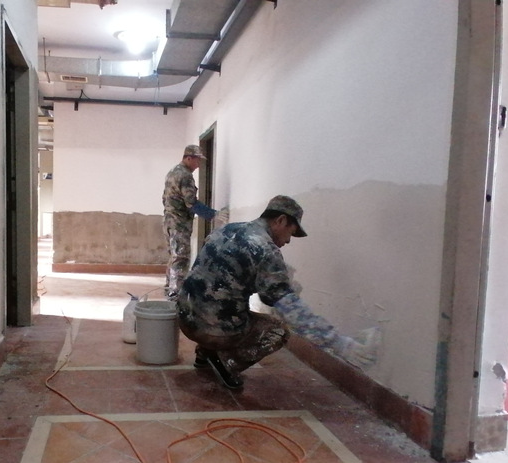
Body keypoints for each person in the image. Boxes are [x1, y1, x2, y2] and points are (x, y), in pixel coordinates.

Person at [177, 195, 381, 389]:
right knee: (277, 331)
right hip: (213, 330)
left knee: (221, 305)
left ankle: (205, 351)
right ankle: (224, 361)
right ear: (281, 220)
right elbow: (292, 312)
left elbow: (216, 276)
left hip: (185, 319)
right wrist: (341, 344)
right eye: (291, 232)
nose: (289, 241)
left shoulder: (227, 229)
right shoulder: (266, 249)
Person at [162, 144, 218, 301]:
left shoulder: (172, 172)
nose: (198, 164)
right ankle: (176, 298)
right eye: (197, 160)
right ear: (188, 158)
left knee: (174, 257)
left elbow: (165, 198)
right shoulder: (185, 175)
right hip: (179, 224)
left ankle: (169, 291)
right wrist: (213, 215)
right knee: (181, 259)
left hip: (168, 221)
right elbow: (191, 202)